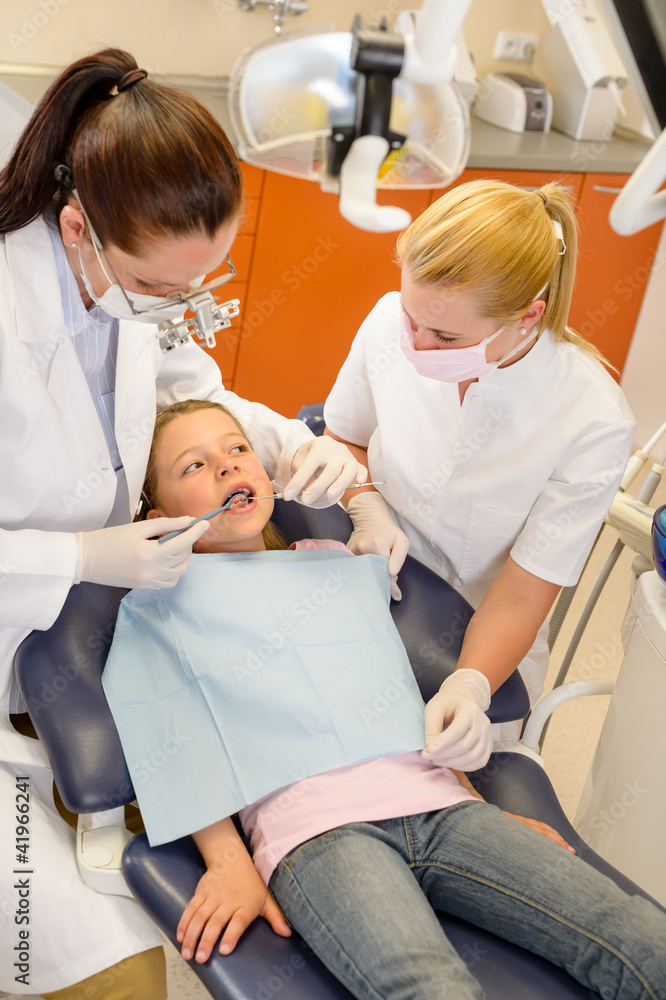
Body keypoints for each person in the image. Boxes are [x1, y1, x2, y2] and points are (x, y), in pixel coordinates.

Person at [0, 49, 364, 998]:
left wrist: (311, 459)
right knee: (88, 963)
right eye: (166, 288)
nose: (184, 308)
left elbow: (198, 392)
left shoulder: (128, 276)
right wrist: (80, 552)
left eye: (205, 280)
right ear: (76, 227)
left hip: (74, 659)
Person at [107, 397, 665, 1000]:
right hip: (319, 835)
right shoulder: (159, 606)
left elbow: (387, 693)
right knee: (430, 988)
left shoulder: (334, 565)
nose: (225, 467)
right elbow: (171, 736)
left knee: (635, 934)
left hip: (443, 808)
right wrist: (227, 861)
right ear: (158, 512)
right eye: (193, 465)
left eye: (238, 449)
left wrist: (480, 807)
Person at [323, 179, 636, 765]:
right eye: (411, 316)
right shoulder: (394, 320)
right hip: (361, 594)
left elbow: (521, 596)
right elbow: (345, 438)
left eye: (444, 336)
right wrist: (364, 502)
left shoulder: (590, 419)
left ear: (527, 317)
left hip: (474, 643)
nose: (415, 342)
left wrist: (469, 685)